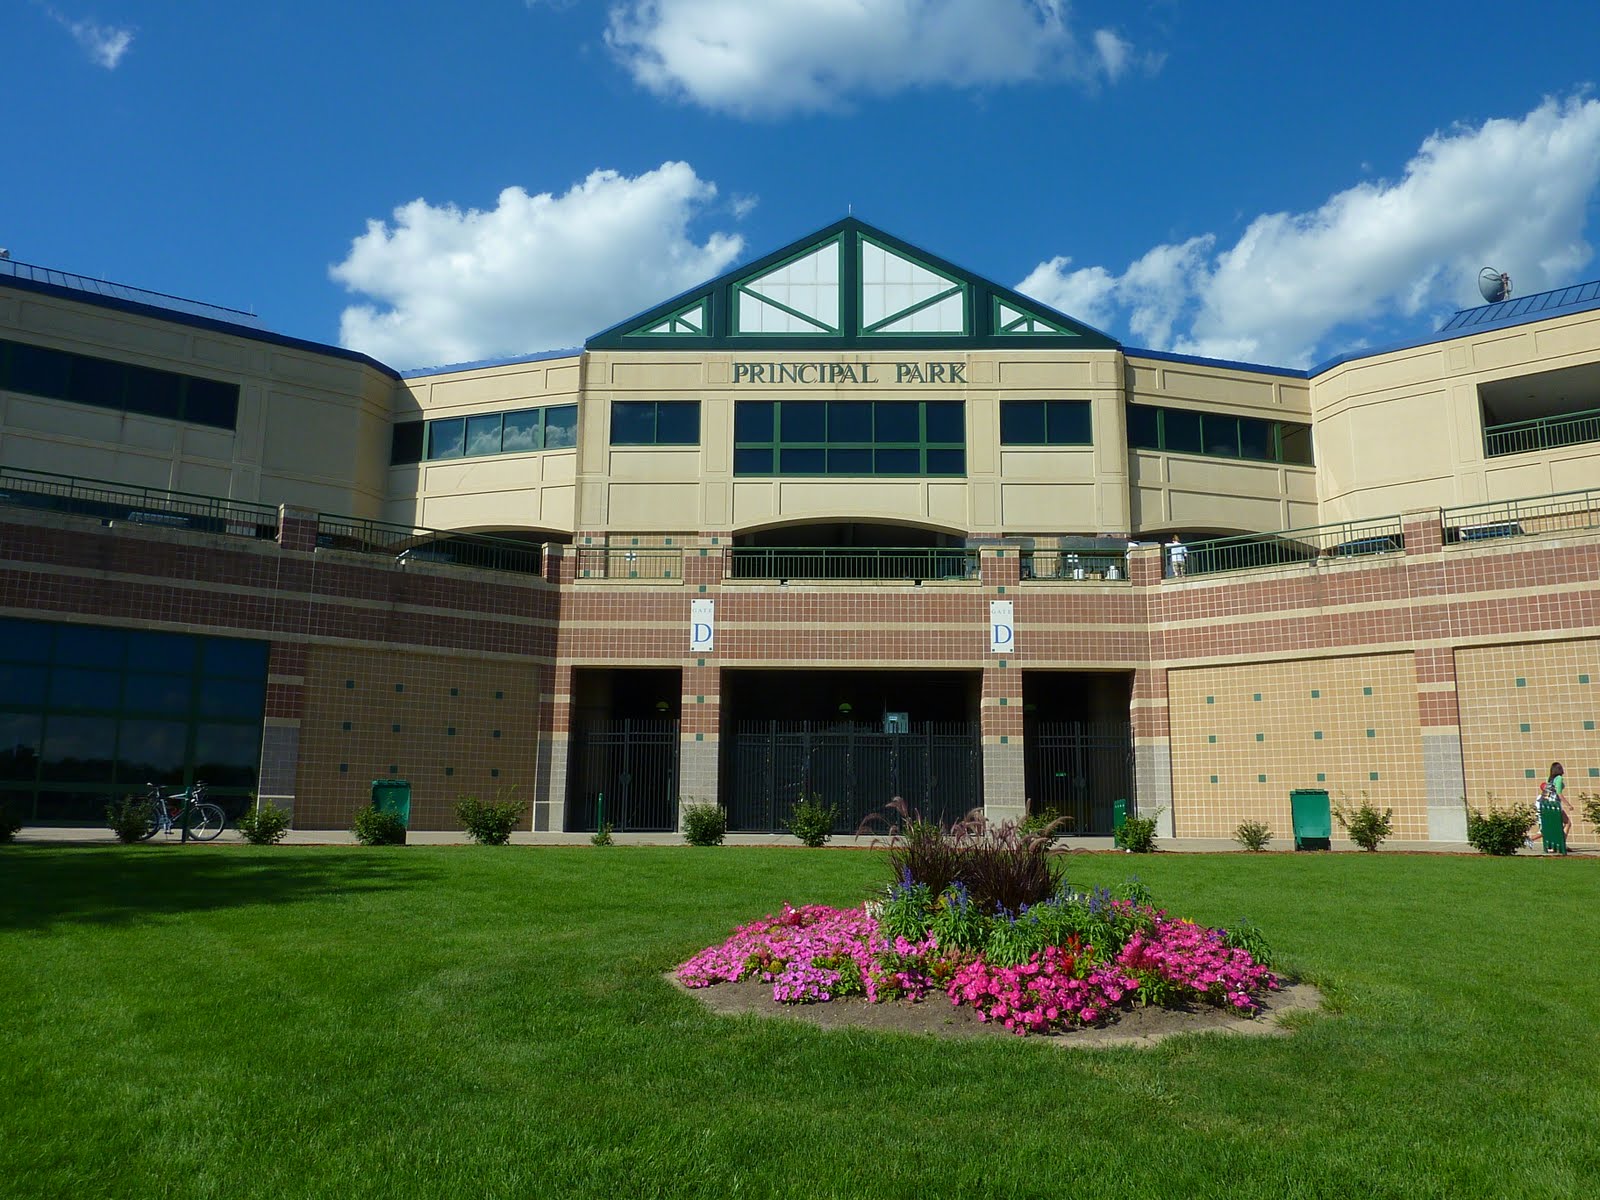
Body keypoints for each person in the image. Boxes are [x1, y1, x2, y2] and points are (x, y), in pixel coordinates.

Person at [1534, 761, 1570, 847]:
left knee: (1554, 826)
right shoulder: (1559, 778)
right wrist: (1568, 805)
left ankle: (1559, 844)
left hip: (1545, 803)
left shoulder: (1549, 779)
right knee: (1564, 824)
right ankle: (1561, 844)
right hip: (1554, 804)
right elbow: (1559, 793)